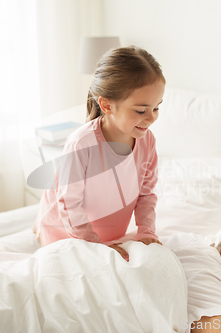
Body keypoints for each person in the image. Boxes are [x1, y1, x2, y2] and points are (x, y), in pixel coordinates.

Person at [33, 46, 165, 261]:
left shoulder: (147, 140)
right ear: (106, 105)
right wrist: (94, 244)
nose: (151, 118)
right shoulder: (81, 143)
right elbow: (69, 204)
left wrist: (146, 231)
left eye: (157, 107)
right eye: (141, 110)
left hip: (107, 233)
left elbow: (146, 194)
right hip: (64, 229)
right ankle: (38, 227)